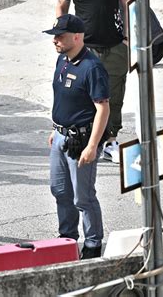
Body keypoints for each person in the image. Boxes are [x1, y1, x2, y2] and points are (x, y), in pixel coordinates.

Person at [43, 14, 110, 259]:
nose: (55, 41)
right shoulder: (63, 60)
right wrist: (55, 128)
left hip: (80, 142)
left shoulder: (92, 67)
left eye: (60, 36)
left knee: (83, 196)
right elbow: (63, 98)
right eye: (54, 36)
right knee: (59, 190)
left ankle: (92, 244)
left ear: (77, 36)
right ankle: (67, 239)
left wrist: (92, 146)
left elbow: (103, 108)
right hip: (60, 136)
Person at [56, 0, 132, 164]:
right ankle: (85, 140)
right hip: (84, 47)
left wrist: (127, 38)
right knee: (82, 96)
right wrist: (63, 36)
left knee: (113, 95)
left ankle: (110, 141)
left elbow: (129, 4)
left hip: (114, 45)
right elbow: (61, 4)